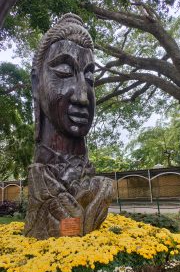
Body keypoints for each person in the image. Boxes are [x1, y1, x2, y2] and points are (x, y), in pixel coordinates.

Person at [24, 13, 114, 240]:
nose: (83, 96)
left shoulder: (98, 186)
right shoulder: (41, 177)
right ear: (36, 84)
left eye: (90, 78)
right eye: (64, 72)